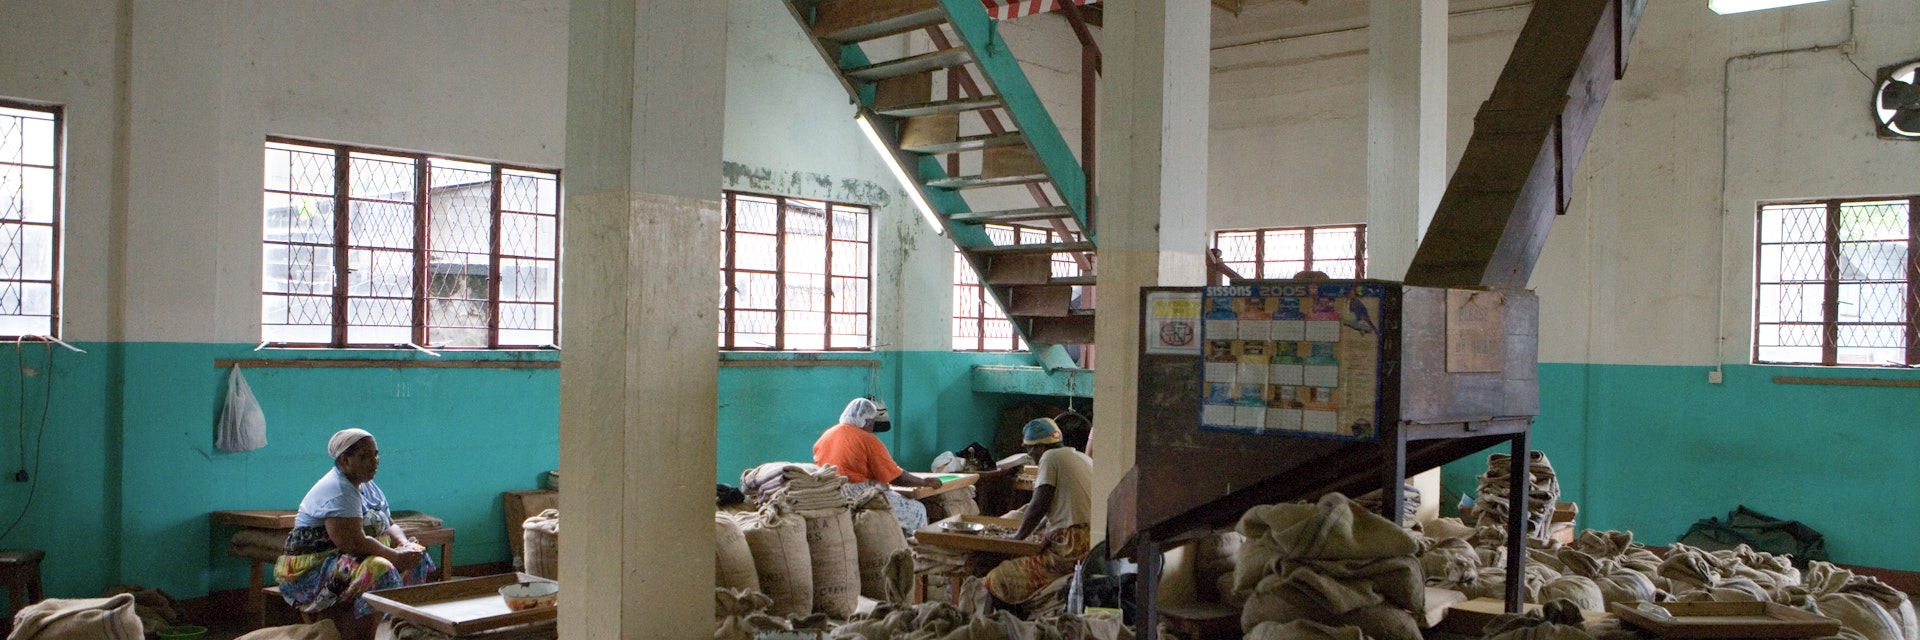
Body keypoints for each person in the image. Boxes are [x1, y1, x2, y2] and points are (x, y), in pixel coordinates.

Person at [275, 429, 435, 636]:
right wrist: (394, 556)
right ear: (344, 460)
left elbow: (389, 523)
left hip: (348, 560)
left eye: (376, 454)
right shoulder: (338, 490)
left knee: (417, 558)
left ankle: (402, 628)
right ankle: (362, 634)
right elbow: (353, 543)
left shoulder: (367, 485)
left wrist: (405, 545)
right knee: (379, 568)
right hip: (313, 570)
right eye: (365, 456)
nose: (374, 461)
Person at [985, 417, 1094, 614]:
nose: (1030, 455)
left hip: (1070, 547)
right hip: (1092, 544)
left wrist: (1018, 537)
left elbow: (1039, 504)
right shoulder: (1082, 458)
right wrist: (1037, 527)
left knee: (997, 578)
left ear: (1040, 447)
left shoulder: (1050, 458)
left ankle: (1014, 626)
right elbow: (1056, 506)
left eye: (1030, 449)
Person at [813, 398, 943, 532]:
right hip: (858, 493)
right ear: (867, 421)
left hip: (830, 491)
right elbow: (896, 477)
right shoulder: (867, 440)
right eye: (873, 423)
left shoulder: (826, 435)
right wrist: (924, 482)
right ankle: (913, 548)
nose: (873, 427)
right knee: (917, 510)